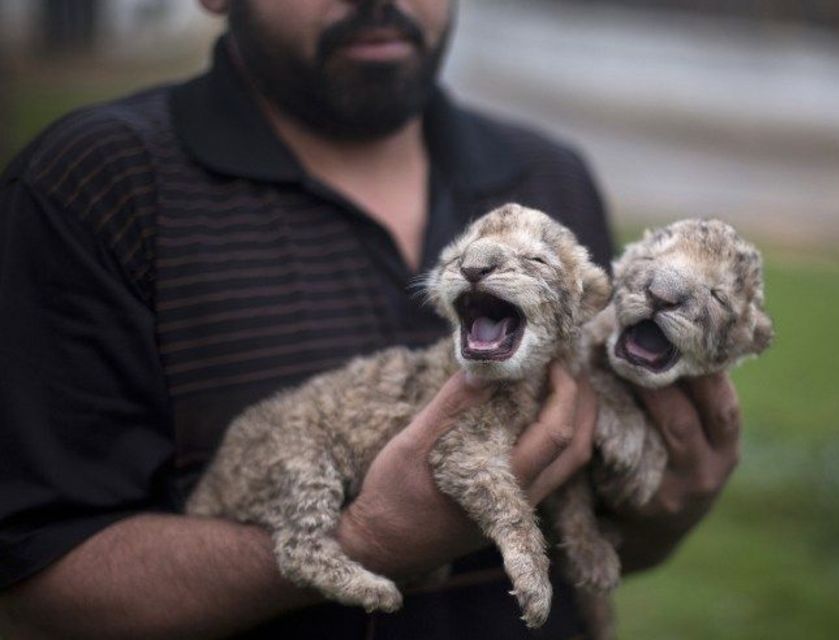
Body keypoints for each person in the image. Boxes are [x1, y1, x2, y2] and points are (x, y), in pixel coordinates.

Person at [0, 1, 742, 637]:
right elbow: (32, 594)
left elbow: (598, 525)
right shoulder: (90, 187)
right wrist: (367, 541)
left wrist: (666, 507)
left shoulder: (550, 178)